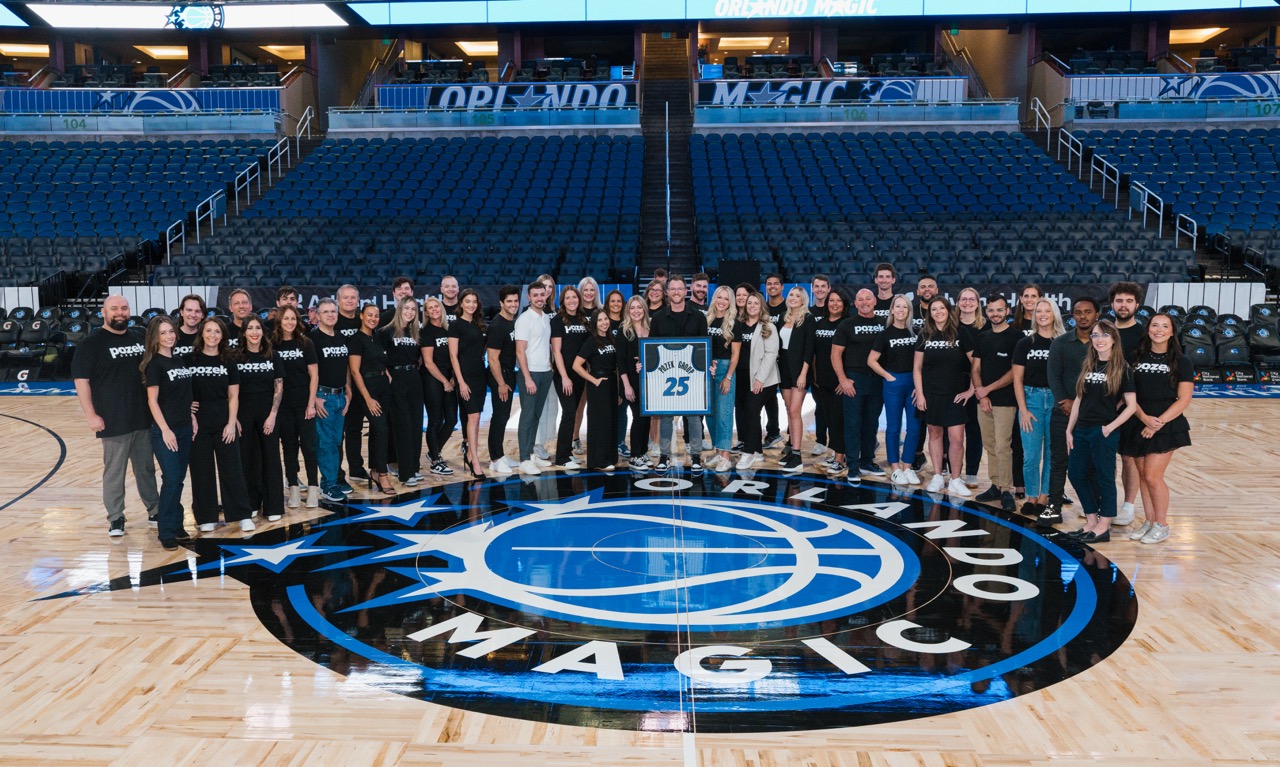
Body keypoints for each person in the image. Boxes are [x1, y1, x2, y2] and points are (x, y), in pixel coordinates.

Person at [72, 294, 158, 537]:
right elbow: (81, 381)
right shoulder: (91, 343)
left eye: (124, 308)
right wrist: (91, 415)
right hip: (112, 419)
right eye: (114, 308)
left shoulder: (139, 337)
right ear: (104, 312)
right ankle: (116, 517)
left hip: (142, 416)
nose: (120, 312)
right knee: (114, 472)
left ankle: (155, 510)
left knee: (146, 469)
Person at [1121, 313, 1193, 544]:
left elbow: (1184, 399)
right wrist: (1143, 418)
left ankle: (1162, 525)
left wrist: (1157, 423)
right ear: (1148, 329)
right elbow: (1128, 393)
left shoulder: (1182, 361)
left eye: (1164, 326)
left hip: (1166, 424)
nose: (1159, 330)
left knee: (1153, 476)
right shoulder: (1135, 357)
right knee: (1143, 476)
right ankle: (1150, 521)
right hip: (1138, 419)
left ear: (1172, 332)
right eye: (1154, 325)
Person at [1064, 320, 1138, 543]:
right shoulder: (1089, 364)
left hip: (1104, 431)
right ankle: (1090, 521)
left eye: (1104, 335)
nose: (1099, 339)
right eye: (1095, 335)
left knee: (1105, 478)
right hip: (1081, 430)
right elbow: (1079, 399)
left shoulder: (1123, 369)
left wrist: (1110, 427)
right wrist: (1069, 429)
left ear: (1114, 339)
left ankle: (1103, 526)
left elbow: (1131, 406)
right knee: (1076, 473)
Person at [188, 317, 255, 532]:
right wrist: (187, 408)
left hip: (223, 420)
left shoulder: (229, 361)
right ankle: (205, 516)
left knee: (232, 468)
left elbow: (233, 395)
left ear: (223, 336)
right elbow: (179, 388)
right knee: (201, 470)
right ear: (201, 333)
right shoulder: (190, 359)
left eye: (217, 331)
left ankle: (242, 514)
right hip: (198, 424)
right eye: (208, 331)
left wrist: (231, 423)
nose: (212, 335)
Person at [1039, 296, 1100, 526]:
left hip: (1093, 414)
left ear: (1097, 315)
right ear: (1072, 316)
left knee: (1092, 464)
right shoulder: (1061, 343)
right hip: (1062, 411)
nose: (1082, 316)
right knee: (1058, 461)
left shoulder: (1104, 343)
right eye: (1078, 312)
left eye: (1087, 312)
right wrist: (1065, 402)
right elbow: (1053, 376)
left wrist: (1085, 406)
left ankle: (1093, 507)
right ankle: (1054, 506)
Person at [140, 315, 195, 550]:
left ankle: (176, 524)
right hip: (165, 432)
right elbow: (152, 401)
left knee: (178, 481)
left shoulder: (179, 360)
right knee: (171, 479)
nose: (169, 336)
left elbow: (184, 395)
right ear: (155, 337)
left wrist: (192, 417)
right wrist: (165, 430)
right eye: (163, 333)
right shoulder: (154, 365)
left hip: (185, 428)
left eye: (171, 331)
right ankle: (166, 531)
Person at [913, 297, 975, 497]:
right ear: (929, 313)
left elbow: (976, 363)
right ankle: (938, 476)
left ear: (949, 310)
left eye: (941, 308)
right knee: (934, 434)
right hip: (931, 394)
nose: (938, 312)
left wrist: (971, 390)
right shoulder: (924, 334)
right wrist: (920, 394)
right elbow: (917, 368)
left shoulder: (960, 332)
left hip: (955, 395)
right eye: (934, 309)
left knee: (956, 438)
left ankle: (956, 479)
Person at [650, 275, 708, 471]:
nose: (676, 292)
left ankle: (696, 456)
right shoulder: (658, 318)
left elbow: (704, 348)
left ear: (686, 291)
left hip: (692, 376)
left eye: (680, 289)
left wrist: (708, 364)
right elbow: (652, 350)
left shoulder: (699, 317)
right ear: (667, 292)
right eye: (672, 289)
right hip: (666, 376)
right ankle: (664, 456)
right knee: (666, 417)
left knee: (694, 417)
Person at [1013, 298, 1064, 518]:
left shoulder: (1062, 342)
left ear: (1054, 314)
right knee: (1031, 455)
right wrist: (1023, 410)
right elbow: (1017, 379)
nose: (1042, 314)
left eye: (1047, 311)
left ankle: (1044, 497)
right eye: (1039, 311)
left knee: (1052, 453)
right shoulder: (1025, 343)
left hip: (1056, 400)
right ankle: (1031, 496)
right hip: (1031, 399)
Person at [832, 289, 887, 484]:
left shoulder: (884, 323)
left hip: (877, 381)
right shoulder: (846, 325)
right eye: (860, 299)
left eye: (868, 298)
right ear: (855, 304)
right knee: (853, 424)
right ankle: (853, 467)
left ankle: (867, 461)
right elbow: (835, 354)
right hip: (855, 381)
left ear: (874, 301)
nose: (864, 302)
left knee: (871, 424)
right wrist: (843, 379)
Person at [970, 294, 1020, 512]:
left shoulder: (1016, 337)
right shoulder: (982, 337)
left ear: (1007, 311)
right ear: (986, 312)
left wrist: (987, 390)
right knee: (990, 445)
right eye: (991, 310)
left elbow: (1015, 372)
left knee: (1002, 446)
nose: (995, 314)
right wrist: (981, 396)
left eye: (1000, 310)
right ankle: (996, 485)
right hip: (984, 401)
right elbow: (975, 369)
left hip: (1006, 401)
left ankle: (1007, 490)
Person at [234, 317, 284, 522]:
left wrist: (272, 415)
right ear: (244, 333)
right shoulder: (235, 357)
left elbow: (278, 387)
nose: (254, 332)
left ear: (263, 332)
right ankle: (251, 502)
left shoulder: (273, 355)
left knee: (271, 458)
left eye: (257, 328)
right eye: (250, 328)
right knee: (246, 458)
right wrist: (234, 418)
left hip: (268, 413)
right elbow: (231, 391)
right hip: (242, 414)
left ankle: (273, 506)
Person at [867, 295, 919, 487]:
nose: (901, 310)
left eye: (905, 307)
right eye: (898, 306)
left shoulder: (916, 333)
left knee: (914, 427)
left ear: (909, 311)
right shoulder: (885, 334)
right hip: (893, 384)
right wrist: (887, 376)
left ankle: (908, 466)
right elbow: (871, 360)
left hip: (913, 384)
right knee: (894, 427)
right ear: (892, 310)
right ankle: (895, 467)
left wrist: (919, 384)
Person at [271, 305, 319, 508]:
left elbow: (314, 375)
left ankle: (313, 487)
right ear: (279, 321)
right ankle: (293, 488)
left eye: (293, 318)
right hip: (283, 405)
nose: (290, 322)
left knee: (309, 446)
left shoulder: (305, 343)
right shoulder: (272, 344)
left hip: (304, 403)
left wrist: (311, 404)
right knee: (289, 447)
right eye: (286, 318)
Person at [308, 298, 353, 503]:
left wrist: (348, 390)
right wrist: (314, 398)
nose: (330, 315)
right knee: (325, 442)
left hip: (340, 396)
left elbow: (345, 367)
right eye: (325, 312)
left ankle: (334, 479)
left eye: (333, 311)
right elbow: (308, 372)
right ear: (317, 315)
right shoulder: (312, 339)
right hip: (323, 397)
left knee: (336, 441)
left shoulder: (341, 337)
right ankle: (328, 484)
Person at [1110, 281, 1145, 526]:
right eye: (1119, 300)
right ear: (1112, 304)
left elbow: (1140, 373)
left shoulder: (1143, 335)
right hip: (1102, 404)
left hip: (1131, 405)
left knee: (1128, 457)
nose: (1124, 305)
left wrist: (1125, 399)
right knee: (1101, 457)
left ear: (1137, 305)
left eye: (1129, 301)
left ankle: (1128, 506)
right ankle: (1103, 503)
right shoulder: (1103, 330)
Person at [349, 304, 394, 495]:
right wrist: (367, 397)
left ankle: (375, 470)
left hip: (383, 386)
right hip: (368, 389)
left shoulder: (377, 337)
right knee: (381, 429)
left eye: (376, 315)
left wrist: (387, 374)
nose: (373, 318)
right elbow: (354, 371)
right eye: (369, 315)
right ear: (361, 316)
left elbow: (381, 361)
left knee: (379, 430)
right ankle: (382, 474)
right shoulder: (356, 339)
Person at [380, 296, 424, 486]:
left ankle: (413, 467)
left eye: (413, 309)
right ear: (399, 309)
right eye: (406, 308)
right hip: (396, 379)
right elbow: (378, 357)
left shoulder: (415, 332)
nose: (410, 312)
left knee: (416, 425)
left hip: (413, 378)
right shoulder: (386, 331)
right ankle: (405, 474)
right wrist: (387, 375)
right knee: (403, 426)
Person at [735, 291, 779, 471]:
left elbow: (771, 354)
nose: (752, 306)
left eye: (756, 303)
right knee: (746, 413)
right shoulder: (739, 325)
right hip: (741, 377)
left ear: (761, 306)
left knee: (752, 411)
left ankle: (748, 452)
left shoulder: (768, 326)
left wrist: (760, 379)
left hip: (763, 379)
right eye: (749, 303)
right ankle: (758, 451)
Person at [573, 309, 621, 471]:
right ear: (594, 323)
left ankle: (610, 457)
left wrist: (619, 389)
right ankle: (598, 460)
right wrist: (593, 380)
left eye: (605, 319)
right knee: (599, 423)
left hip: (612, 384)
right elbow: (576, 365)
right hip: (598, 386)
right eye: (600, 320)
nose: (604, 323)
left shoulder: (611, 339)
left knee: (610, 421)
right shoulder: (591, 342)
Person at [514, 280, 554, 475]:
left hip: (545, 372)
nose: (539, 298)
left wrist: (550, 365)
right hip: (530, 373)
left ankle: (531, 454)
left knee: (536, 415)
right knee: (527, 416)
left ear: (546, 295)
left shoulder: (545, 318)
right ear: (529, 297)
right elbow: (519, 351)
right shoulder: (524, 319)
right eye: (535, 295)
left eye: (542, 294)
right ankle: (524, 459)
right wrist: (527, 377)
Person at [449, 289, 488, 478]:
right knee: (473, 416)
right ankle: (474, 459)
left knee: (476, 417)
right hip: (465, 378)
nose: (471, 305)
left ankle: (470, 453)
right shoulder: (455, 325)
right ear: (461, 304)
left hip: (480, 375)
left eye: (474, 301)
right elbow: (453, 356)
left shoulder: (480, 325)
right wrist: (461, 382)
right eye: (468, 301)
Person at [551, 286, 590, 470]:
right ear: (563, 301)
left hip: (579, 374)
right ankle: (561, 457)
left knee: (573, 413)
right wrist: (564, 376)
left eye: (574, 297)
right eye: (568, 298)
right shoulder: (558, 320)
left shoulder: (583, 320)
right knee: (568, 413)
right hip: (564, 375)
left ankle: (567, 453)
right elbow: (556, 351)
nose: (572, 300)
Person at [811, 287, 849, 475]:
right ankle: (836, 454)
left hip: (840, 383)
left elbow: (851, 355)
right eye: (831, 300)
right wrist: (815, 377)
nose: (834, 304)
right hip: (821, 382)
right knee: (829, 419)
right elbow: (814, 352)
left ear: (844, 304)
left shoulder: (847, 324)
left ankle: (840, 459)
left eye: (838, 300)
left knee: (838, 420)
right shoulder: (820, 323)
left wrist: (844, 380)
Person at [777, 286, 813, 473]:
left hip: (799, 369)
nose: (793, 298)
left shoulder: (808, 318)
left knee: (794, 410)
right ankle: (791, 449)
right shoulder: (783, 317)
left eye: (797, 295)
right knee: (788, 409)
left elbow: (809, 349)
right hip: (783, 368)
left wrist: (803, 373)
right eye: (791, 295)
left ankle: (797, 455)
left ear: (803, 299)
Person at [704, 286, 740, 473]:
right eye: (719, 297)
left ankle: (725, 456)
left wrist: (728, 377)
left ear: (730, 302)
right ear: (714, 298)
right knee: (710, 414)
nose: (722, 301)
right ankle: (718, 452)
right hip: (707, 369)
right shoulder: (707, 320)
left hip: (725, 369)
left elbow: (735, 355)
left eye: (726, 299)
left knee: (724, 414)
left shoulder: (734, 323)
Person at [953, 286, 986, 485]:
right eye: (963, 299)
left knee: (974, 429)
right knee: (951, 429)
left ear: (977, 303)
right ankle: (951, 471)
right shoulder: (950, 325)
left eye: (971, 299)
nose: (967, 302)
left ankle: (972, 473)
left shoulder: (986, 327)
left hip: (979, 383)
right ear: (957, 302)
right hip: (954, 382)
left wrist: (975, 388)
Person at [419, 297, 455, 476]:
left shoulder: (449, 329)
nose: (434, 310)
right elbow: (428, 362)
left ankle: (434, 451)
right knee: (435, 420)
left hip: (449, 377)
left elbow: (455, 356)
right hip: (432, 378)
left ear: (441, 309)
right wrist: (444, 381)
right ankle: (435, 460)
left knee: (452, 419)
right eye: (430, 308)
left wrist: (453, 377)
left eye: (436, 306)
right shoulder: (426, 332)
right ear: (426, 313)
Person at [335, 284, 365, 488]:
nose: (349, 301)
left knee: (355, 428)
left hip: (360, 381)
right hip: (338, 383)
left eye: (353, 297)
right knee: (338, 432)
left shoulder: (362, 320)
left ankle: (356, 468)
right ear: (338, 300)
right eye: (345, 297)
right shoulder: (332, 320)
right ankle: (337, 473)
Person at [617, 296, 652, 471]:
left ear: (644, 309)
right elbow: (621, 362)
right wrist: (627, 386)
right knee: (638, 417)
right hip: (631, 382)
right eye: (632, 308)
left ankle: (643, 452)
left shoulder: (651, 328)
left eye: (639, 307)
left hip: (649, 382)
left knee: (646, 418)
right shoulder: (624, 330)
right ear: (628, 311)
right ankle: (634, 456)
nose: (636, 311)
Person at [762, 273, 786, 449]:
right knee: (768, 396)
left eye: (776, 283)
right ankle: (773, 432)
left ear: (782, 286)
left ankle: (792, 438)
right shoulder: (763, 308)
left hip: (786, 358)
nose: (772, 286)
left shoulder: (789, 306)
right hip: (767, 358)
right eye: (769, 284)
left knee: (789, 400)